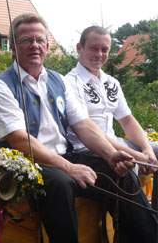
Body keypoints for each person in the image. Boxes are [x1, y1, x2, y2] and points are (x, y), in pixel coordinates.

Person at [0, 13, 157, 243]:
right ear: (13, 46)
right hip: (26, 164)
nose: (34, 45)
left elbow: (83, 125)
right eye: (26, 40)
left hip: (64, 157)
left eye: (39, 40)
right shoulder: (1, 86)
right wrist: (68, 167)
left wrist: (111, 154)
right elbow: (20, 140)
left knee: (121, 173)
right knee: (60, 183)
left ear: (47, 45)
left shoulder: (57, 81)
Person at [65, 26, 158, 167]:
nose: (99, 54)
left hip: (117, 143)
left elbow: (127, 120)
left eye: (104, 50)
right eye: (94, 48)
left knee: (155, 152)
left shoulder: (111, 82)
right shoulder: (69, 83)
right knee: (131, 164)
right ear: (79, 47)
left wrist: (147, 149)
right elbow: (89, 131)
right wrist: (136, 155)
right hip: (88, 149)